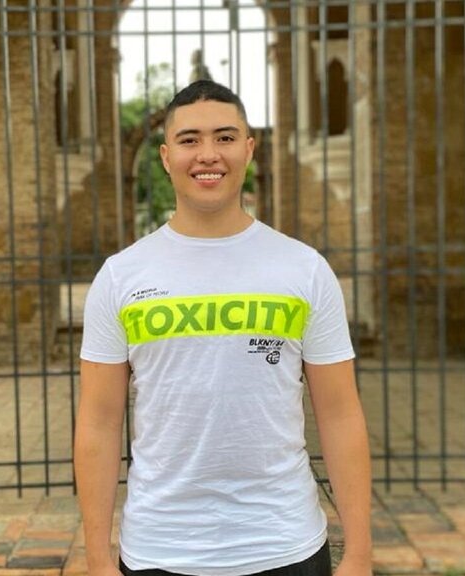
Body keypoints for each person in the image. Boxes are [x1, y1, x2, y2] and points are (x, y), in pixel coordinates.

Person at [74, 79, 372, 576]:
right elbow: (99, 423)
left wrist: (359, 554)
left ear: (248, 149)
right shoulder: (121, 276)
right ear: (166, 156)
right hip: (160, 550)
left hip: (286, 545)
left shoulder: (304, 269)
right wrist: (97, 558)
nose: (208, 154)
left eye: (225, 137)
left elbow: (340, 414)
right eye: (189, 140)